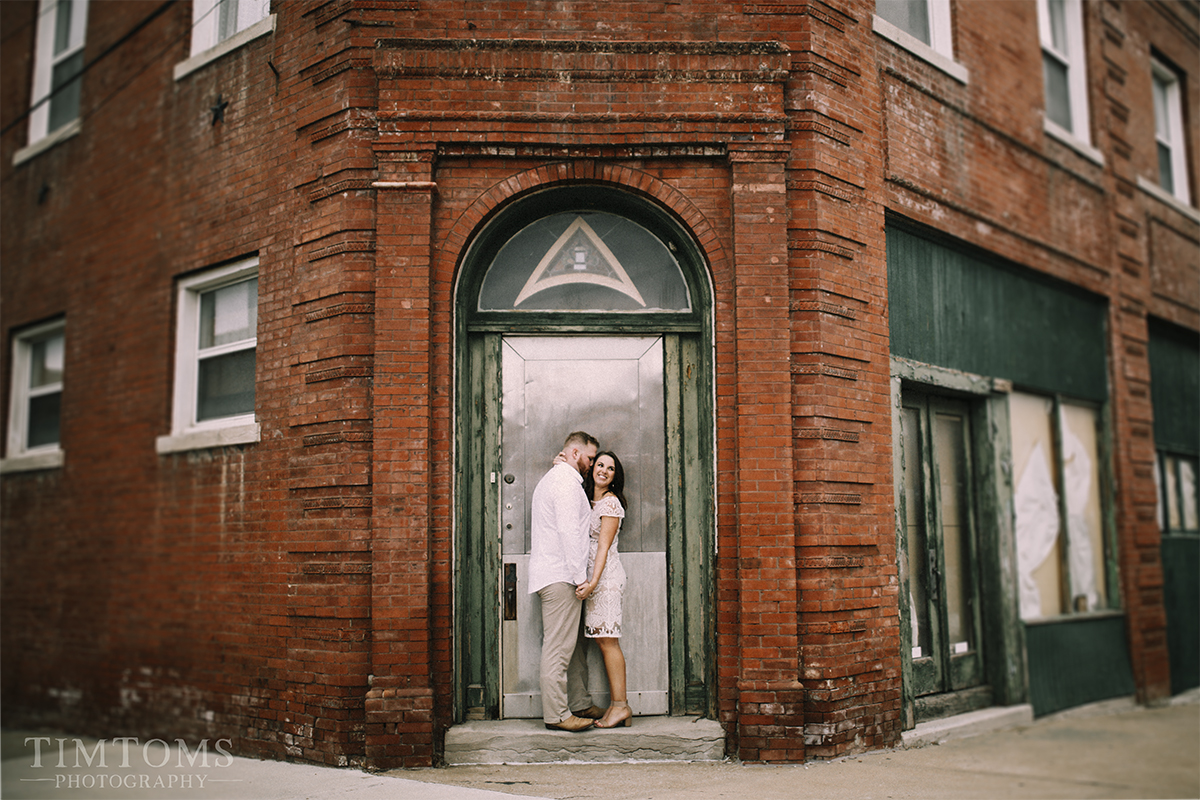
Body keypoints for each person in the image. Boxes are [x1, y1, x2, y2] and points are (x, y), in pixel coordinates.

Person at [528, 431, 605, 732]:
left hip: (560, 574)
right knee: (559, 648)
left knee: (572, 648)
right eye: (589, 458)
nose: (592, 464)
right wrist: (581, 578)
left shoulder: (563, 479)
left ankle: (580, 703)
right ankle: (558, 715)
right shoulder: (563, 483)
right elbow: (568, 533)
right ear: (574, 454)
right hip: (561, 575)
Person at [576, 451, 633, 728]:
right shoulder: (590, 500)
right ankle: (616, 705)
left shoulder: (610, 504)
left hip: (606, 579)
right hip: (595, 579)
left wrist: (594, 582)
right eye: (600, 465)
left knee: (609, 641)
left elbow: (603, 546)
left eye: (610, 468)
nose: (604, 470)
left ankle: (621, 706)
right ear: (592, 468)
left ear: (614, 477)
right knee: (602, 640)